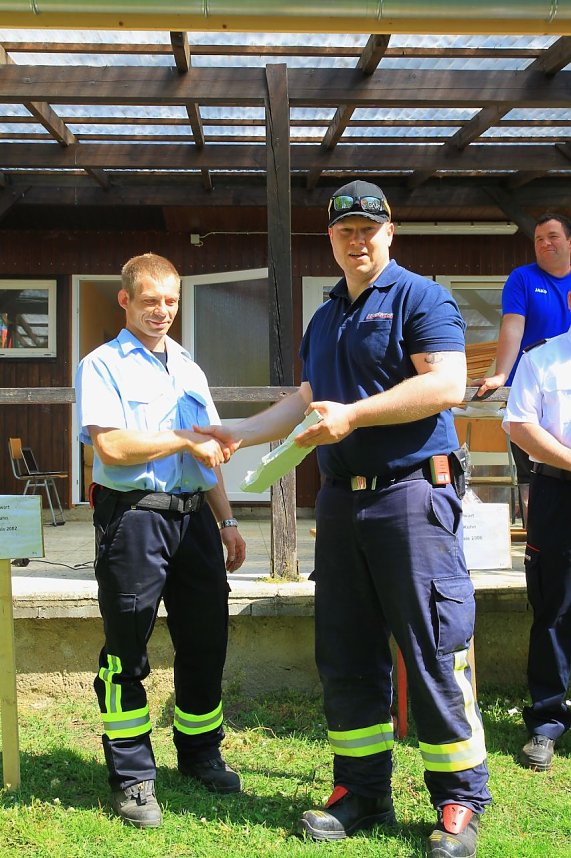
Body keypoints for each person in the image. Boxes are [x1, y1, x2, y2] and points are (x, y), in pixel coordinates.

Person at [195, 180, 491, 858]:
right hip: (340, 501)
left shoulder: (420, 296)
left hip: (410, 494)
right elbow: (307, 398)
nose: (356, 239)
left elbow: (444, 383)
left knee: (433, 647)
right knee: (347, 651)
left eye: (368, 227)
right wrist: (240, 427)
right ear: (330, 238)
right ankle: (360, 791)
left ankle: (457, 801)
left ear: (390, 232)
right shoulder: (326, 315)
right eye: (343, 230)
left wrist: (354, 415)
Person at [75, 253, 246, 828]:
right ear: (124, 300)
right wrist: (179, 439)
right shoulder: (101, 365)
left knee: (206, 641)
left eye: (171, 300)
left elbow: (210, 453)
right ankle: (131, 775)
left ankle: (200, 754)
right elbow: (112, 450)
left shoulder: (190, 369)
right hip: (134, 518)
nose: (162, 311)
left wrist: (226, 521)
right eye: (150, 300)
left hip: (195, 518)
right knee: (127, 648)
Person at [503, 301, 571, 772]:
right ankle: (547, 722)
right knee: (554, 606)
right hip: (558, 492)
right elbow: (519, 424)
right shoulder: (542, 358)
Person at [475, 213, 571, 526]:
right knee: (534, 477)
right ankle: (537, 547)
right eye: (539, 239)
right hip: (532, 390)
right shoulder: (523, 278)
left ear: (569, 241)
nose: (545, 243)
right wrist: (502, 374)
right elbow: (513, 327)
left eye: (553, 236)